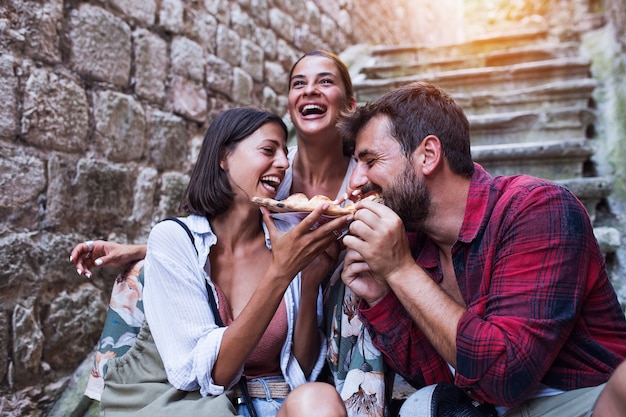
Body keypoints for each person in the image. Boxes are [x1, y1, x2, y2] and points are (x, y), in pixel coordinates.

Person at [71, 50, 390, 417]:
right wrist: (147, 249)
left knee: (358, 288)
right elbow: (213, 233)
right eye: (298, 83)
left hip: (333, 304)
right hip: (218, 382)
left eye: (325, 81)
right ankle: (103, 397)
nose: (310, 91)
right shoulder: (278, 183)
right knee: (137, 276)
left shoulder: (363, 179)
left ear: (350, 103)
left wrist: (310, 278)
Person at [336, 81, 626, 416]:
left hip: (581, 399)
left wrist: (401, 269)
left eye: (370, 160)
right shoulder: (413, 242)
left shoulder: (537, 208)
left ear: (428, 155)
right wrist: (381, 296)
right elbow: (438, 375)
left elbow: (507, 375)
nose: (355, 180)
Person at [88, 107, 349, 417]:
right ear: (224, 157)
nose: (283, 162)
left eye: (284, 152)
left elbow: (302, 367)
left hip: (280, 403)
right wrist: (282, 272)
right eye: (268, 150)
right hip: (201, 407)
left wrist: (308, 283)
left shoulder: (289, 238)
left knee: (318, 398)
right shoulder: (174, 239)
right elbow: (216, 374)